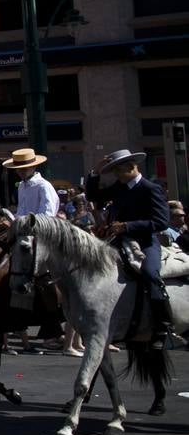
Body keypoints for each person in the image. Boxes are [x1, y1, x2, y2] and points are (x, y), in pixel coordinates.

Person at [85, 149, 172, 348]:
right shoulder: (119, 187)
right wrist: (95, 173)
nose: (115, 175)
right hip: (118, 240)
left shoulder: (150, 188)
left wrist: (127, 226)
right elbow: (93, 195)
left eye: (118, 171)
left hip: (144, 242)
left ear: (131, 168)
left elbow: (161, 222)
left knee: (150, 274)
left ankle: (162, 326)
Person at [6, 148, 58, 217]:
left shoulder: (44, 186)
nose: (20, 171)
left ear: (34, 166)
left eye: (24, 168)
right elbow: (21, 211)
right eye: (18, 169)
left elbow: (47, 216)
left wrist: (22, 222)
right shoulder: (21, 186)